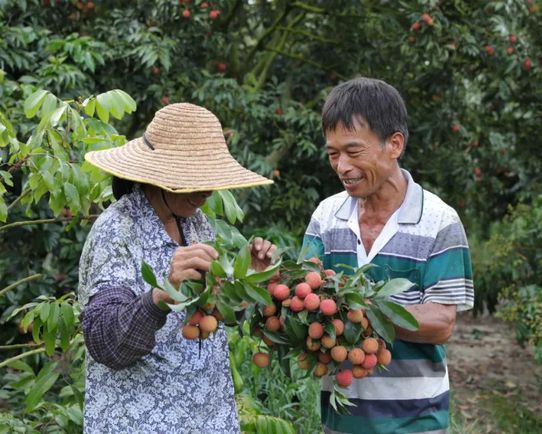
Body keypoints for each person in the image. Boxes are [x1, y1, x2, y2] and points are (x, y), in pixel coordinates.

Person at [78, 103, 276, 433]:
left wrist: (248, 278)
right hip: (138, 422)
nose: (207, 191)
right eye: (194, 180)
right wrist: (160, 294)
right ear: (159, 174)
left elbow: (213, 311)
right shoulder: (118, 230)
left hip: (207, 418)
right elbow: (103, 339)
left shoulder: (195, 223)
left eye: (209, 179)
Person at [302, 78, 474, 433]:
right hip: (341, 420)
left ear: (394, 144)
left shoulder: (439, 222)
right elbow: (305, 291)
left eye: (353, 151)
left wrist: (364, 309)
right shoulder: (325, 216)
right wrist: (267, 277)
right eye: (333, 154)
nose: (342, 166)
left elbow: (442, 323)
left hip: (415, 420)